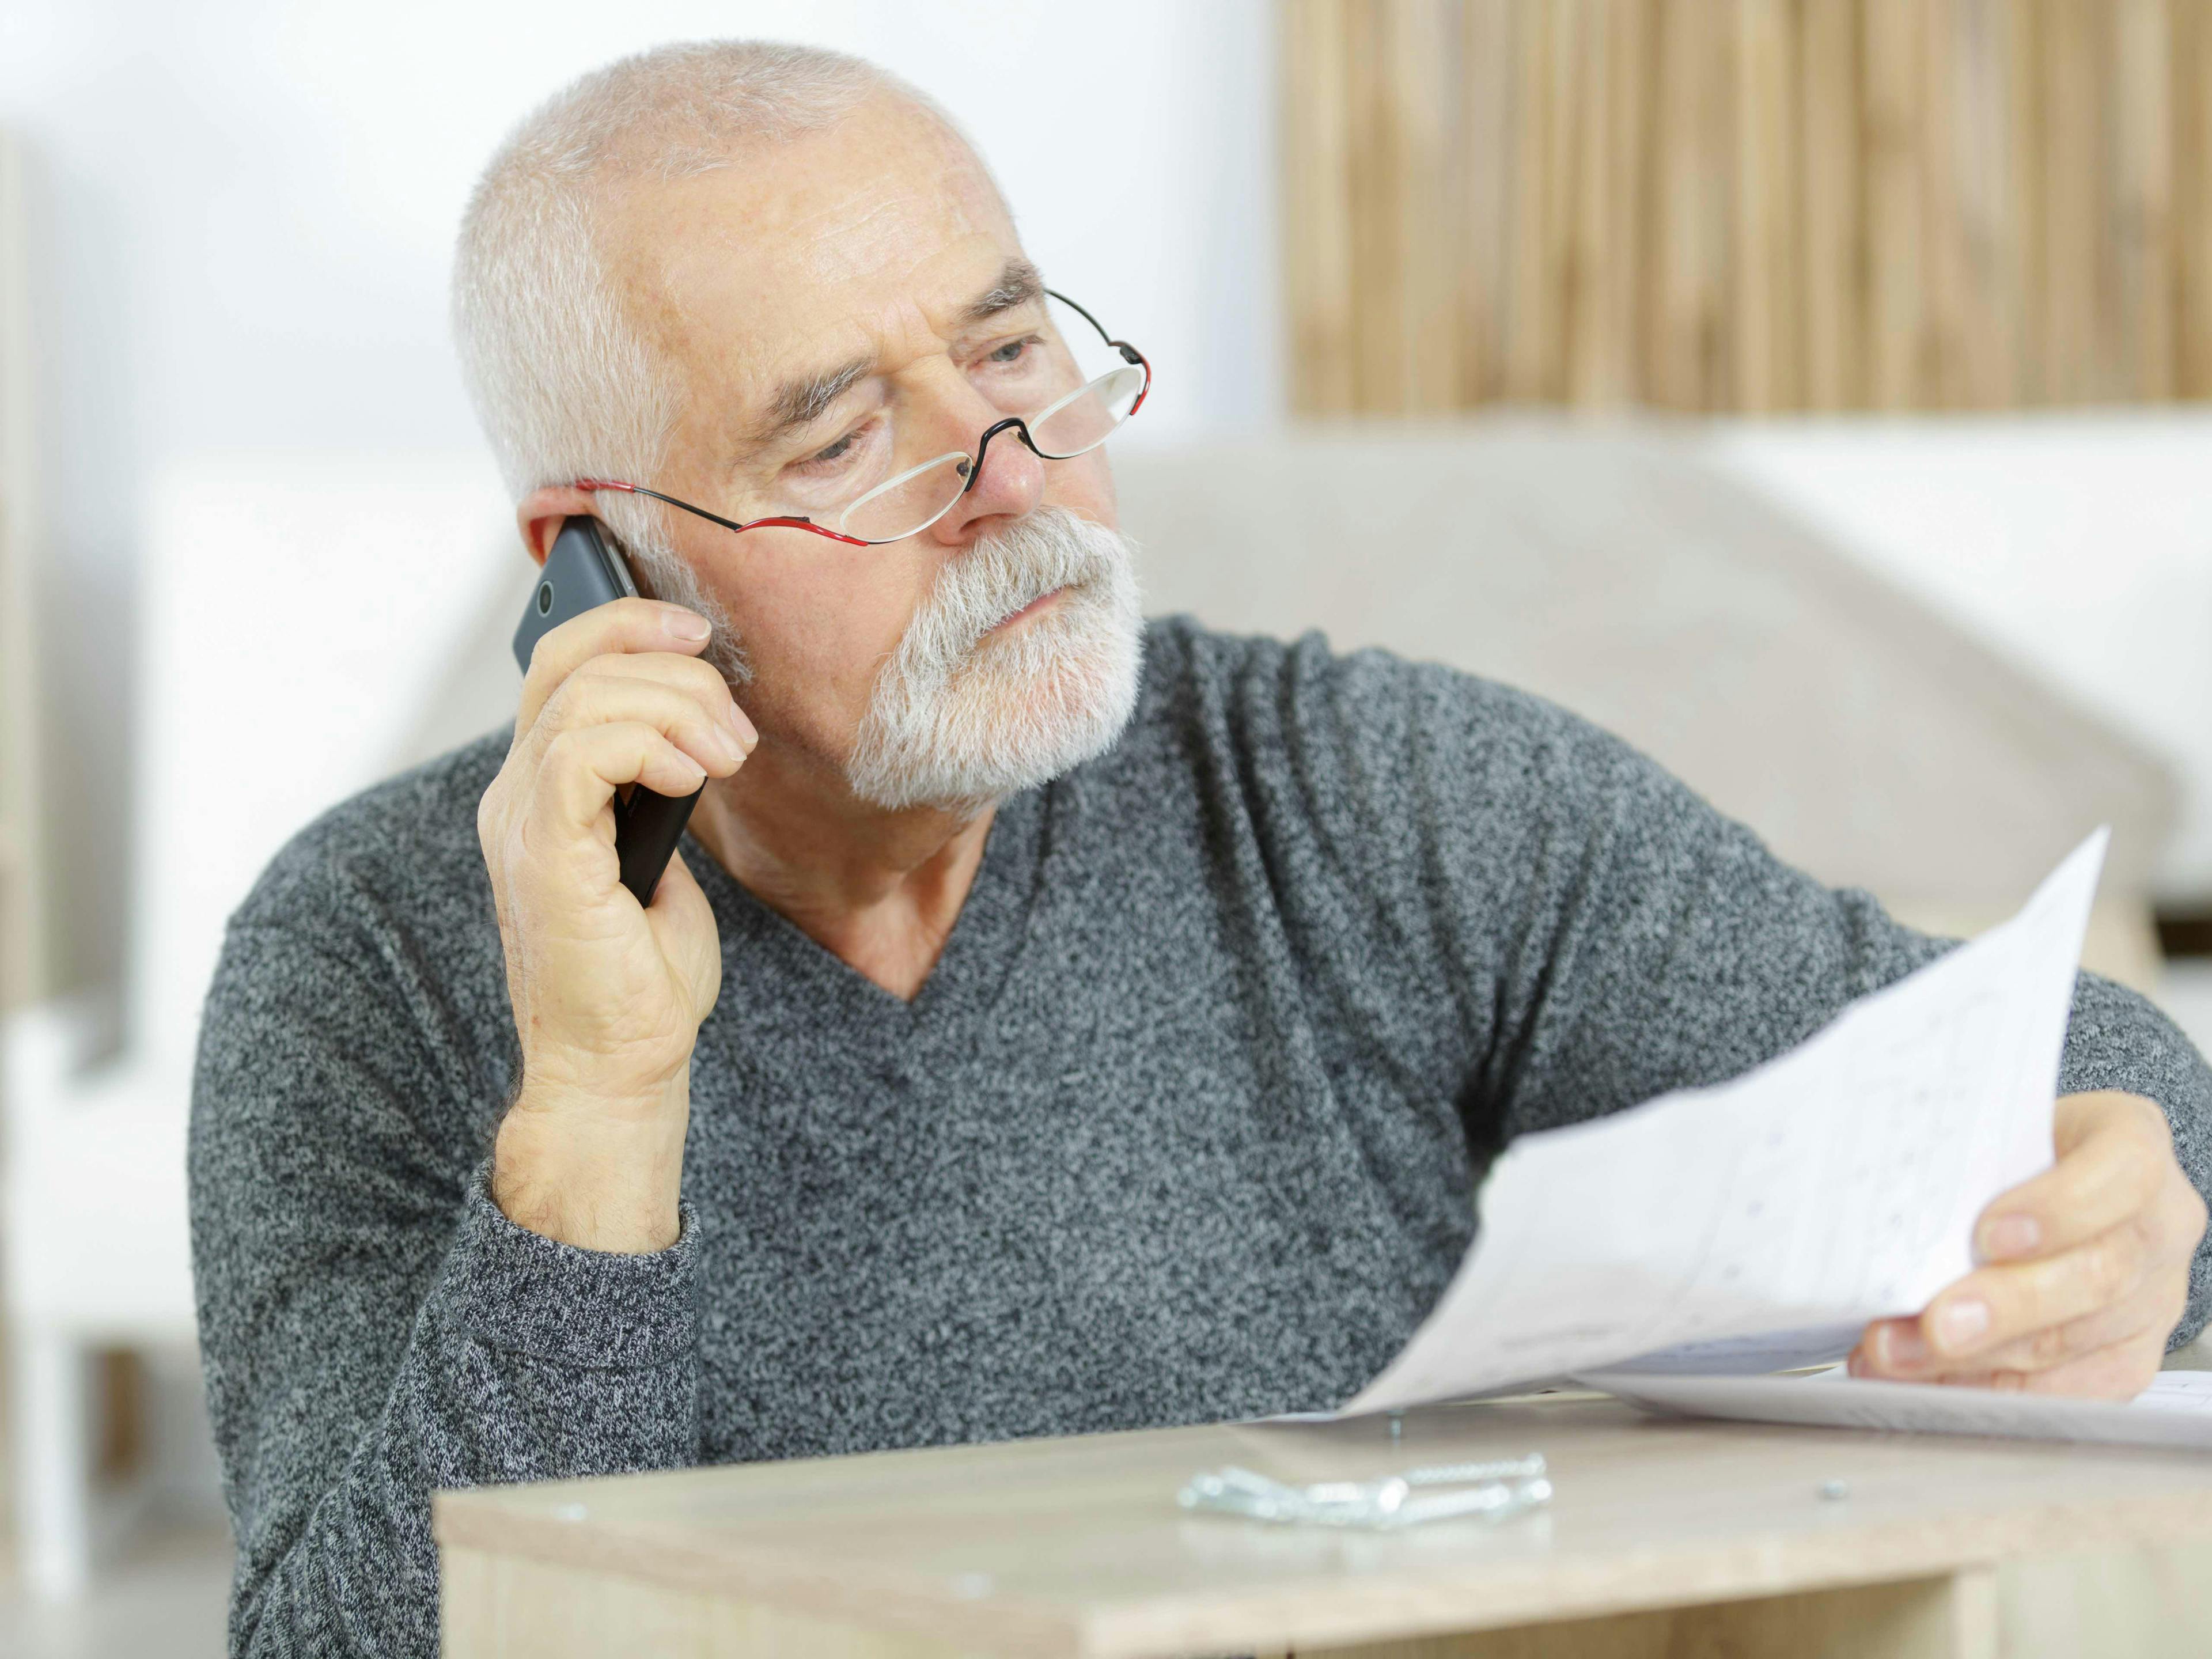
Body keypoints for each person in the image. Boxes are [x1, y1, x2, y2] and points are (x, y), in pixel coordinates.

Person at [189, 39, 2212, 1657]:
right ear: (601, 563)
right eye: (842, 442)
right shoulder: (361, 957)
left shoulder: (1347, 782)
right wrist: (601, 1101)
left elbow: (2052, 1074)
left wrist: (2120, 1190)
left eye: (1008, 352)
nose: (1009, 476)